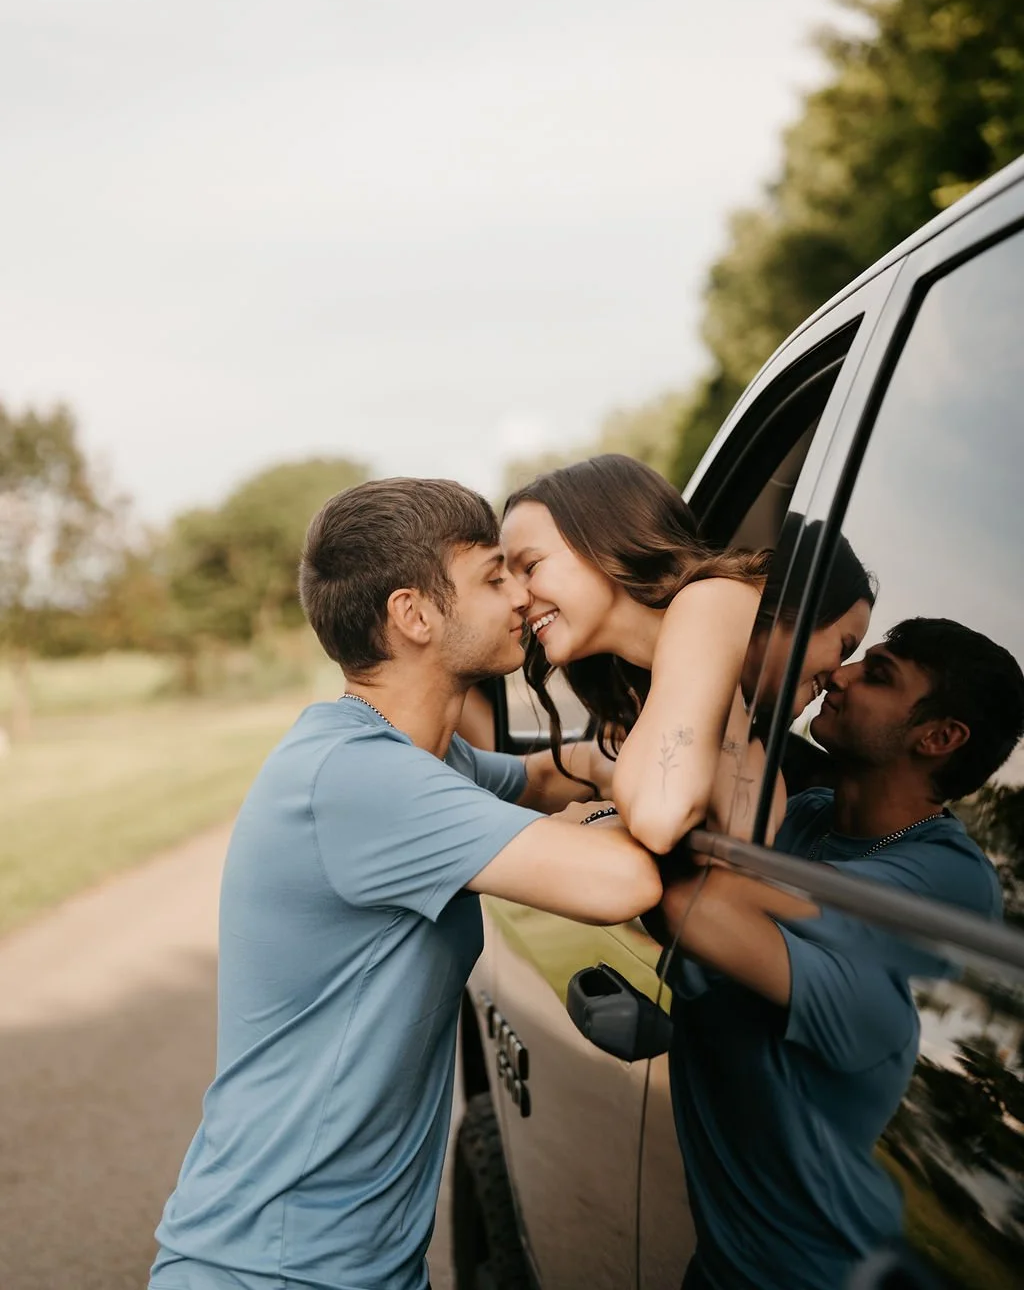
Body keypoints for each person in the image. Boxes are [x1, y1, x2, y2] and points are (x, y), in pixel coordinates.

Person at [149, 477, 660, 1290]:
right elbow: (624, 883)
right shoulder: (363, 783)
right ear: (414, 615)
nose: (522, 594)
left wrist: (604, 760)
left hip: (355, 1269)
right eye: (495, 577)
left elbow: (530, 780)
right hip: (274, 1273)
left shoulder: (411, 756)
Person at [655, 616, 1024, 1290]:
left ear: (938, 738)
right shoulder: (805, 816)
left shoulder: (952, 880)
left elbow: (700, 903)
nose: (841, 674)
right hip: (726, 1261)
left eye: (877, 673)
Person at [500, 455, 876, 847]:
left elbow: (662, 814)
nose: (515, 597)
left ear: (604, 537)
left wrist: (598, 817)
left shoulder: (711, 600)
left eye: (530, 566)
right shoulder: (693, 666)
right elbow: (743, 827)